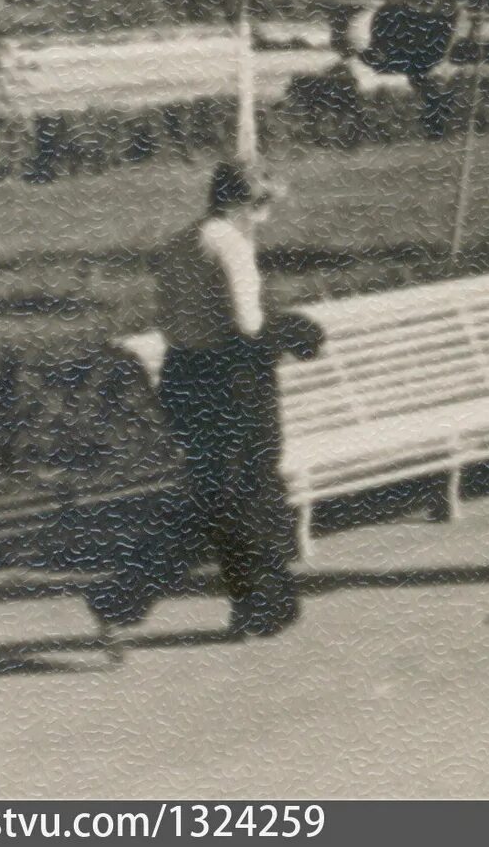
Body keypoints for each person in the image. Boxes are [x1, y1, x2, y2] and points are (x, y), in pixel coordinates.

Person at [89, 159, 317, 648]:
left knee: (219, 502)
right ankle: (123, 596)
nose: (265, 219)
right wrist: (295, 330)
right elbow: (249, 326)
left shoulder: (179, 242)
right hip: (232, 386)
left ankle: (253, 607)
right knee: (240, 502)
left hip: (184, 379)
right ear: (246, 203)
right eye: (263, 207)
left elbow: (173, 320)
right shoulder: (231, 245)